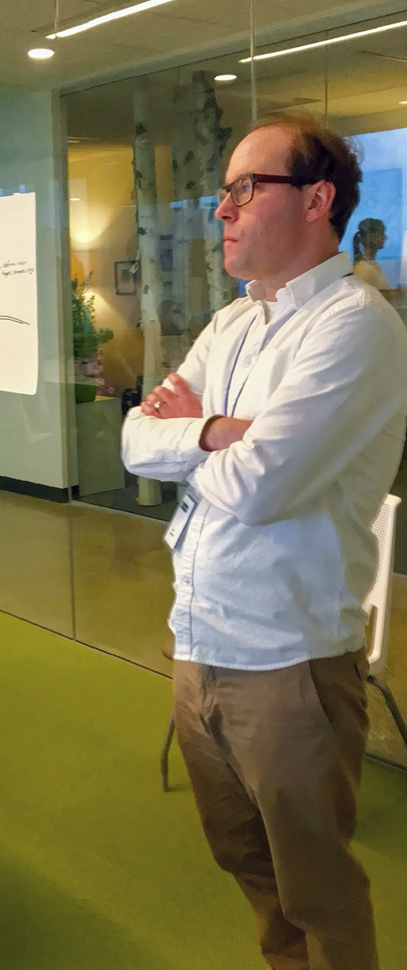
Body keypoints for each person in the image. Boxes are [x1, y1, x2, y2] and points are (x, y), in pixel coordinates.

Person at [121, 113, 407, 970]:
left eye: (247, 188)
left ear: (317, 199)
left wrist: (203, 441)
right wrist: (222, 432)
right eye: (224, 190)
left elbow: (261, 486)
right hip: (199, 644)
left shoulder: (356, 326)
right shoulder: (235, 323)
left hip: (289, 661)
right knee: (249, 869)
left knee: (317, 889)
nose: (223, 209)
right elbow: (135, 442)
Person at [351, 217, 403, 306]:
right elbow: (367, 301)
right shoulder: (363, 269)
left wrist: (394, 293)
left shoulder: (372, 266)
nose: (385, 237)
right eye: (381, 233)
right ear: (371, 237)